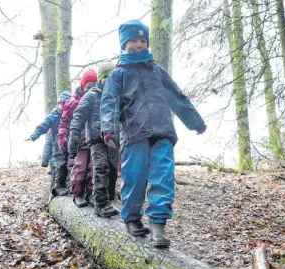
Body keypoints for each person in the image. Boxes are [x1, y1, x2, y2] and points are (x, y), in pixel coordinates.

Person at [100, 19, 207, 247]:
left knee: (163, 176)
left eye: (142, 40)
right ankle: (132, 217)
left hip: (162, 132)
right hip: (134, 133)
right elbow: (108, 103)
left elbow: (176, 96)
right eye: (133, 41)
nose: (139, 45)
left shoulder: (157, 71)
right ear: (124, 45)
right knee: (134, 176)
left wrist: (194, 121)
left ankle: (158, 223)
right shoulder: (117, 76)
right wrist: (108, 130)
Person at [68, 62, 119, 217]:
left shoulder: (117, 96)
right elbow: (78, 117)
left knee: (113, 170)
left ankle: (108, 198)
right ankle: (100, 204)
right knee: (100, 168)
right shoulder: (91, 96)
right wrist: (73, 137)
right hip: (97, 139)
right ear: (101, 79)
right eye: (107, 77)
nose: (110, 81)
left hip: (114, 140)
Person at [57, 70, 97, 208]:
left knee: (94, 169)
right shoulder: (73, 102)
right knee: (79, 167)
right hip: (79, 142)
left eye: (94, 86)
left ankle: (91, 194)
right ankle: (77, 194)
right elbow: (64, 122)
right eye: (88, 87)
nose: (91, 90)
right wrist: (63, 138)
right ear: (82, 86)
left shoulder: (98, 99)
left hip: (94, 141)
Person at [26, 91, 72, 197]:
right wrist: (34, 135)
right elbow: (43, 126)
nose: (62, 106)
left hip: (69, 145)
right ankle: (55, 190)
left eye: (64, 104)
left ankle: (69, 187)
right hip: (57, 146)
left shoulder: (71, 115)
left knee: (69, 165)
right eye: (60, 104)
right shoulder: (53, 116)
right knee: (58, 166)